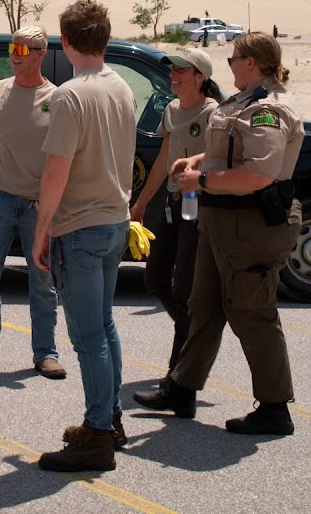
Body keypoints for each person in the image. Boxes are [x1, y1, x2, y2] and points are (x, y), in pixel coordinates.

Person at [137, 32, 305, 436]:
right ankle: (181, 387)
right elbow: (228, 150)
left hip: (249, 225)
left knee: (252, 312)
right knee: (203, 306)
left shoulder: (269, 110)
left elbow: (259, 174)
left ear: (253, 62)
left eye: (233, 60)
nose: (228, 67)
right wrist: (196, 160)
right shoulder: (241, 101)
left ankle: (274, 407)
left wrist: (203, 179)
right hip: (221, 222)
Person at [31, 0, 136, 472]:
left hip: (80, 226)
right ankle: (109, 420)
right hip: (115, 220)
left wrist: (41, 232)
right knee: (105, 326)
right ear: (106, 40)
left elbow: (56, 173)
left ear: (65, 42)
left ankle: (97, 435)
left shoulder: (70, 96)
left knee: (88, 334)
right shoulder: (122, 89)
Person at [0, 25, 64, 379]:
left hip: (38, 203)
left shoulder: (58, 99)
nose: (14, 57)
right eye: (11, 49)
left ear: (39, 53)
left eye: (22, 51)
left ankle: (45, 351)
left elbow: (65, 155)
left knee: (43, 281)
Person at [128, 48, 222, 400]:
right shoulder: (171, 110)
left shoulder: (214, 113)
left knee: (184, 290)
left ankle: (177, 377)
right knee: (154, 279)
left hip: (198, 206)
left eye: (182, 70)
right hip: (171, 204)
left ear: (200, 77)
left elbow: (216, 161)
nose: (174, 74)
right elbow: (163, 159)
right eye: (173, 70)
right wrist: (140, 203)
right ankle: (193, 332)